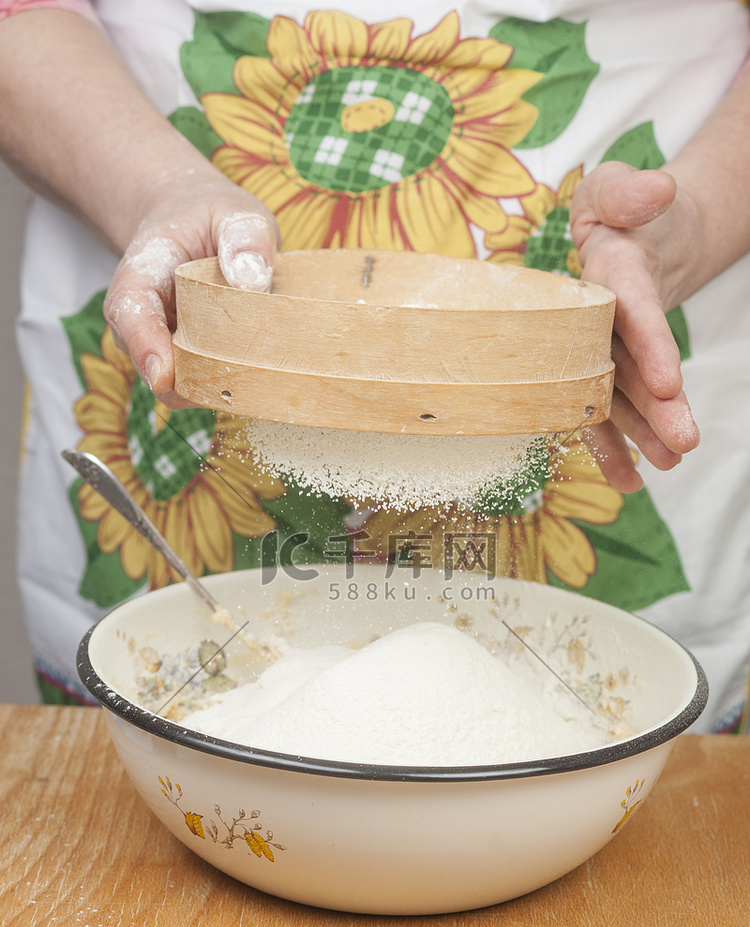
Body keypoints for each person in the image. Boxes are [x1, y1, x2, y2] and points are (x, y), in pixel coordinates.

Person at [0, 0, 748, 731]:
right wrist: (160, 189)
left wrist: (699, 220)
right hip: (140, 192)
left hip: (618, 346)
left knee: (577, 726)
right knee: (185, 722)